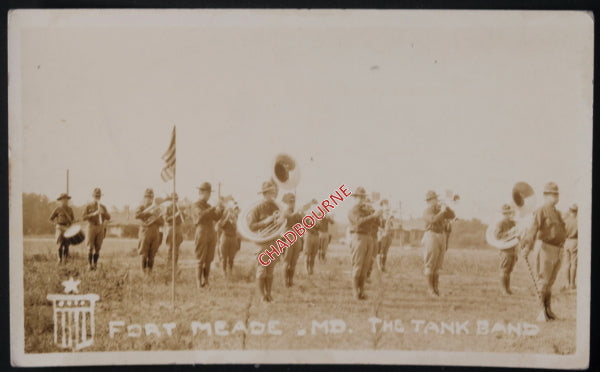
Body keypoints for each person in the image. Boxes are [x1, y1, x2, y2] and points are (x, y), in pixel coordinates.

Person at [522, 182, 567, 321]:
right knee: (543, 281)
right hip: (545, 248)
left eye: (556, 194)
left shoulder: (557, 212)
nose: (556, 197)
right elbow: (533, 229)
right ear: (545, 196)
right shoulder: (541, 210)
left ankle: (548, 311)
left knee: (550, 282)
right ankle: (541, 312)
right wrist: (528, 247)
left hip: (558, 249)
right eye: (552, 194)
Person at [248, 180, 283, 302]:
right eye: (270, 192)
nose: (272, 195)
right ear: (264, 194)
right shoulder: (257, 208)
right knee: (262, 269)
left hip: (274, 240)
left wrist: (279, 221)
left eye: (273, 192)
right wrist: (265, 222)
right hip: (262, 242)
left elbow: (283, 222)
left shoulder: (277, 207)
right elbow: (251, 226)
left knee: (271, 269)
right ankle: (262, 295)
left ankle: (268, 293)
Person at [347, 186, 382, 300]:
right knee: (358, 265)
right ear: (355, 198)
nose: (361, 200)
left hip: (367, 237)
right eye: (359, 198)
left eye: (363, 197)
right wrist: (373, 215)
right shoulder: (354, 210)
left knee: (365, 266)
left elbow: (376, 223)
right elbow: (358, 222)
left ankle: (361, 291)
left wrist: (376, 215)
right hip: (358, 237)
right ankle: (355, 292)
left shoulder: (366, 210)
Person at [422, 190, 455, 297]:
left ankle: (436, 289)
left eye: (436, 198)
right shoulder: (427, 211)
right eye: (435, 199)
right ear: (430, 201)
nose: (437, 200)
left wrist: (446, 208)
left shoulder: (439, 209)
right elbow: (433, 220)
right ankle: (430, 289)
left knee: (437, 264)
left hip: (441, 235)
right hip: (431, 235)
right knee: (430, 263)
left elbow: (452, 215)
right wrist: (442, 211)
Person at [193, 182, 223, 288]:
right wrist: (213, 207)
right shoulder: (196, 204)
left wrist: (221, 208)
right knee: (200, 258)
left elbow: (216, 217)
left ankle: (206, 281)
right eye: (207, 193)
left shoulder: (209, 205)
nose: (209, 195)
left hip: (210, 231)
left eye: (209, 193)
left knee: (209, 258)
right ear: (201, 192)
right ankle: (198, 283)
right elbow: (201, 215)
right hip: (201, 230)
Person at [135, 188, 164, 273]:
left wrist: (156, 218)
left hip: (155, 233)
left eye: (151, 197)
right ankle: (143, 273)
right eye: (147, 197)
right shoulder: (141, 207)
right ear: (144, 198)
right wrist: (149, 213)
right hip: (145, 232)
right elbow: (137, 215)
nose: (149, 199)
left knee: (152, 255)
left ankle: (150, 273)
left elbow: (162, 222)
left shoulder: (157, 209)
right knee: (144, 254)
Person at [82, 188, 111, 270]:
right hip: (91, 226)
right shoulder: (88, 206)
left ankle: (95, 265)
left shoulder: (103, 207)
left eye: (99, 196)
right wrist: (93, 214)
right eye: (96, 196)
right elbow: (83, 217)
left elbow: (109, 217)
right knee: (90, 247)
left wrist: (103, 213)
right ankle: (89, 265)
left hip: (100, 227)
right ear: (93, 196)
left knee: (98, 247)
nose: (97, 198)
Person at [494, 204, 518, 295]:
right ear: (503, 214)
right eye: (506, 213)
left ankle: (507, 289)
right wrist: (508, 233)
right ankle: (504, 290)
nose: (508, 215)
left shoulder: (513, 223)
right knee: (504, 269)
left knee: (509, 270)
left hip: (513, 249)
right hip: (505, 249)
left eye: (509, 213)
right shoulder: (501, 223)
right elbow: (497, 236)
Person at [281, 193, 304, 287]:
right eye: (290, 202)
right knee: (287, 260)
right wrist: (297, 212)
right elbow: (289, 217)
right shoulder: (285, 211)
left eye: (293, 202)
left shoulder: (296, 212)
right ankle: (285, 281)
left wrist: (301, 214)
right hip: (288, 236)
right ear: (287, 203)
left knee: (294, 261)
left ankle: (291, 281)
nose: (292, 203)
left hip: (297, 236)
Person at [49, 193, 75, 264]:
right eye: (63, 199)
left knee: (67, 245)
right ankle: (59, 260)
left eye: (66, 199)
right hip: (60, 227)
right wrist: (55, 224)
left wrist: (72, 224)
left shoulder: (70, 209)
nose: (65, 201)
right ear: (60, 200)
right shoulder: (58, 209)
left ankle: (65, 260)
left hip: (67, 228)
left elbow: (73, 220)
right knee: (60, 245)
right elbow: (50, 219)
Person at [216, 201, 240, 275]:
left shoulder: (236, 217)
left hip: (233, 237)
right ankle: (224, 272)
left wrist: (233, 220)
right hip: (225, 236)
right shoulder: (223, 216)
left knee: (231, 257)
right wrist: (227, 218)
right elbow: (220, 225)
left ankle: (230, 271)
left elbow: (237, 227)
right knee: (224, 257)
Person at [164, 192, 186, 270]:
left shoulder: (179, 208)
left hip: (178, 228)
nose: (175, 200)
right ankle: (168, 266)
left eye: (176, 199)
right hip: (171, 228)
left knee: (176, 248)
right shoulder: (168, 207)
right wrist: (175, 215)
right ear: (171, 200)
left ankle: (175, 266)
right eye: (174, 199)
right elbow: (166, 219)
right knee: (170, 248)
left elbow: (184, 219)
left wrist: (182, 213)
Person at [376, 199, 394, 273]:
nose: (386, 206)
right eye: (384, 204)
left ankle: (383, 266)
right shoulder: (379, 216)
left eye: (387, 204)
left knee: (385, 252)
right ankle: (379, 266)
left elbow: (391, 226)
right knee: (380, 251)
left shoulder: (389, 216)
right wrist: (382, 231)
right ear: (382, 206)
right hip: (381, 235)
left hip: (388, 235)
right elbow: (377, 226)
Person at [564, 203, 578, 290]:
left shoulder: (566, 221)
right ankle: (572, 284)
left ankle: (567, 283)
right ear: (576, 212)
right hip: (575, 241)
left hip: (566, 241)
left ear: (570, 211)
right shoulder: (578, 221)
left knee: (567, 264)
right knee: (573, 263)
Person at [303, 205, 321, 275]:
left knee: (313, 254)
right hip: (309, 235)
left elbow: (320, 227)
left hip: (316, 236)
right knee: (307, 253)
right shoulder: (307, 217)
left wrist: (316, 222)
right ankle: (306, 269)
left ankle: (311, 269)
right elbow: (305, 226)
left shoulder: (318, 218)